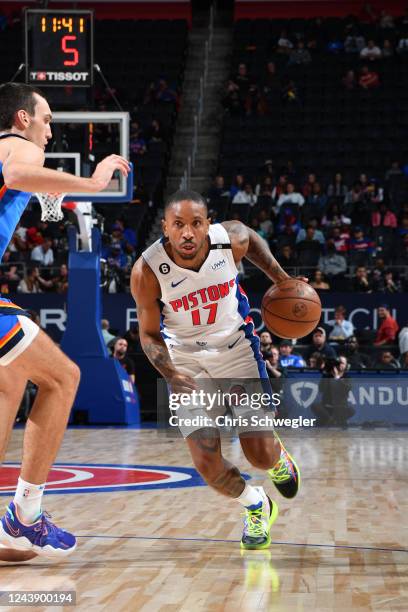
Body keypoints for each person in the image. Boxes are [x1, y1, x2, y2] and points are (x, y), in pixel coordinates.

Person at [131, 190, 303, 550]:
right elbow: (147, 334)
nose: (188, 233)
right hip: (186, 363)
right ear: (165, 227)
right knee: (207, 465)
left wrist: (281, 280)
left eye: (196, 223)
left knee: (258, 454)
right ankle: (256, 505)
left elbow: (252, 240)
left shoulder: (230, 240)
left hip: (236, 351)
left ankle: (276, 458)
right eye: (178, 225)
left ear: (208, 224)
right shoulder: (147, 270)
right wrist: (171, 374)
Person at [0, 82, 130, 559]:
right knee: (63, 377)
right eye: (47, 118)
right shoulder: (15, 146)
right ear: (21, 118)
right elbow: (16, 172)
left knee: (10, 385)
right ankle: (25, 514)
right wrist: (95, 185)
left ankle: (15, 523)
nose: (50, 129)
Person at [312, 357, 354, 427]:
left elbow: (347, 388)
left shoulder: (347, 377)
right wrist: (327, 374)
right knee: (315, 406)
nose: (340, 365)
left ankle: (329, 420)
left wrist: (337, 378)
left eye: (342, 363)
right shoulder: (327, 376)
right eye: (338, 363)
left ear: (346, 365)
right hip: (327, 407)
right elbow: (321, 389)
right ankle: (332, 420)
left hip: (340, 407)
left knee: (351, 410)